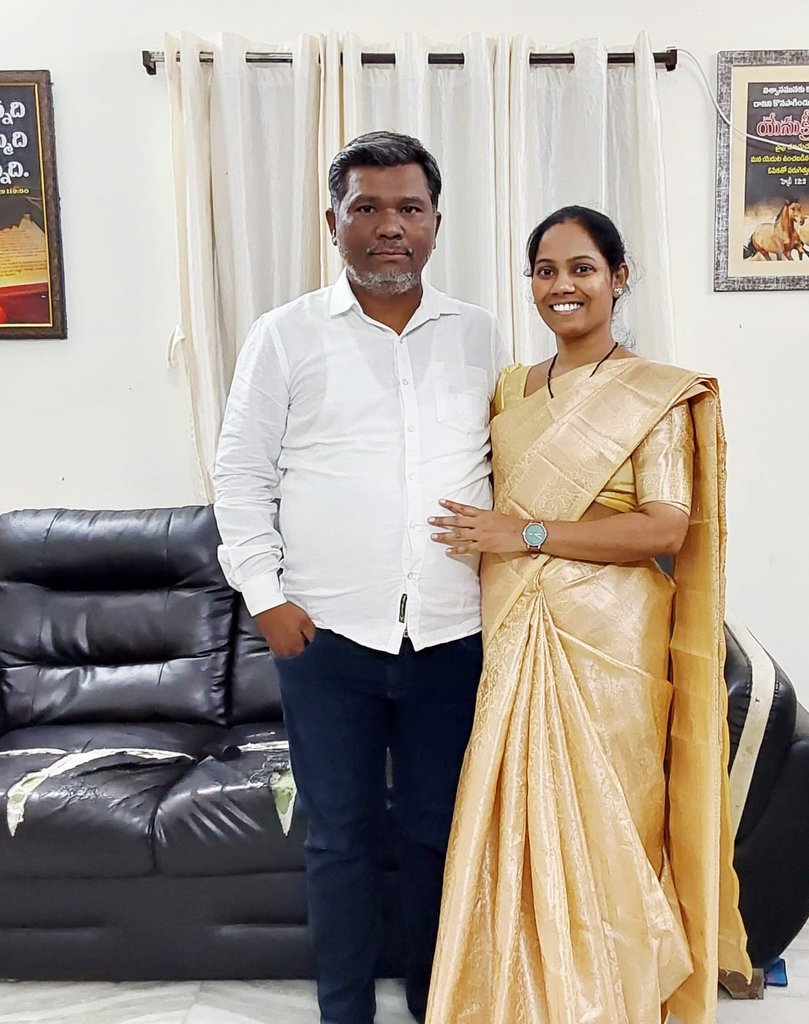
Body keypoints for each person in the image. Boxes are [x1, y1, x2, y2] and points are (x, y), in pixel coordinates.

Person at [423, 207, 750, 1024]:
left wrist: (527, 533)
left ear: (618, 278)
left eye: (581, 269)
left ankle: (610, 997)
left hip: (610, 638)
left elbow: (665, 529)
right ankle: (515, 996)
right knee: (515, 814)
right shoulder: (510, 388)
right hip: (514, 623)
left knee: (612, 816)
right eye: (545, 271)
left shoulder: (654, 394)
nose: (561, 286)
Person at [213, 131, 507, 1024]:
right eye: (367, 207)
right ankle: (344, 1012)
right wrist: (266, 597)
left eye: (409, 208)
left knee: (435, 835)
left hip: (452, 634)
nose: (390, 226)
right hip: (327, 636)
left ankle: (433, 999)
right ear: (333, 220)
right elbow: (240, 474)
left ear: (436, 221)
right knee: (339, 839)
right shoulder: (285, 335)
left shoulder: (479, 334)